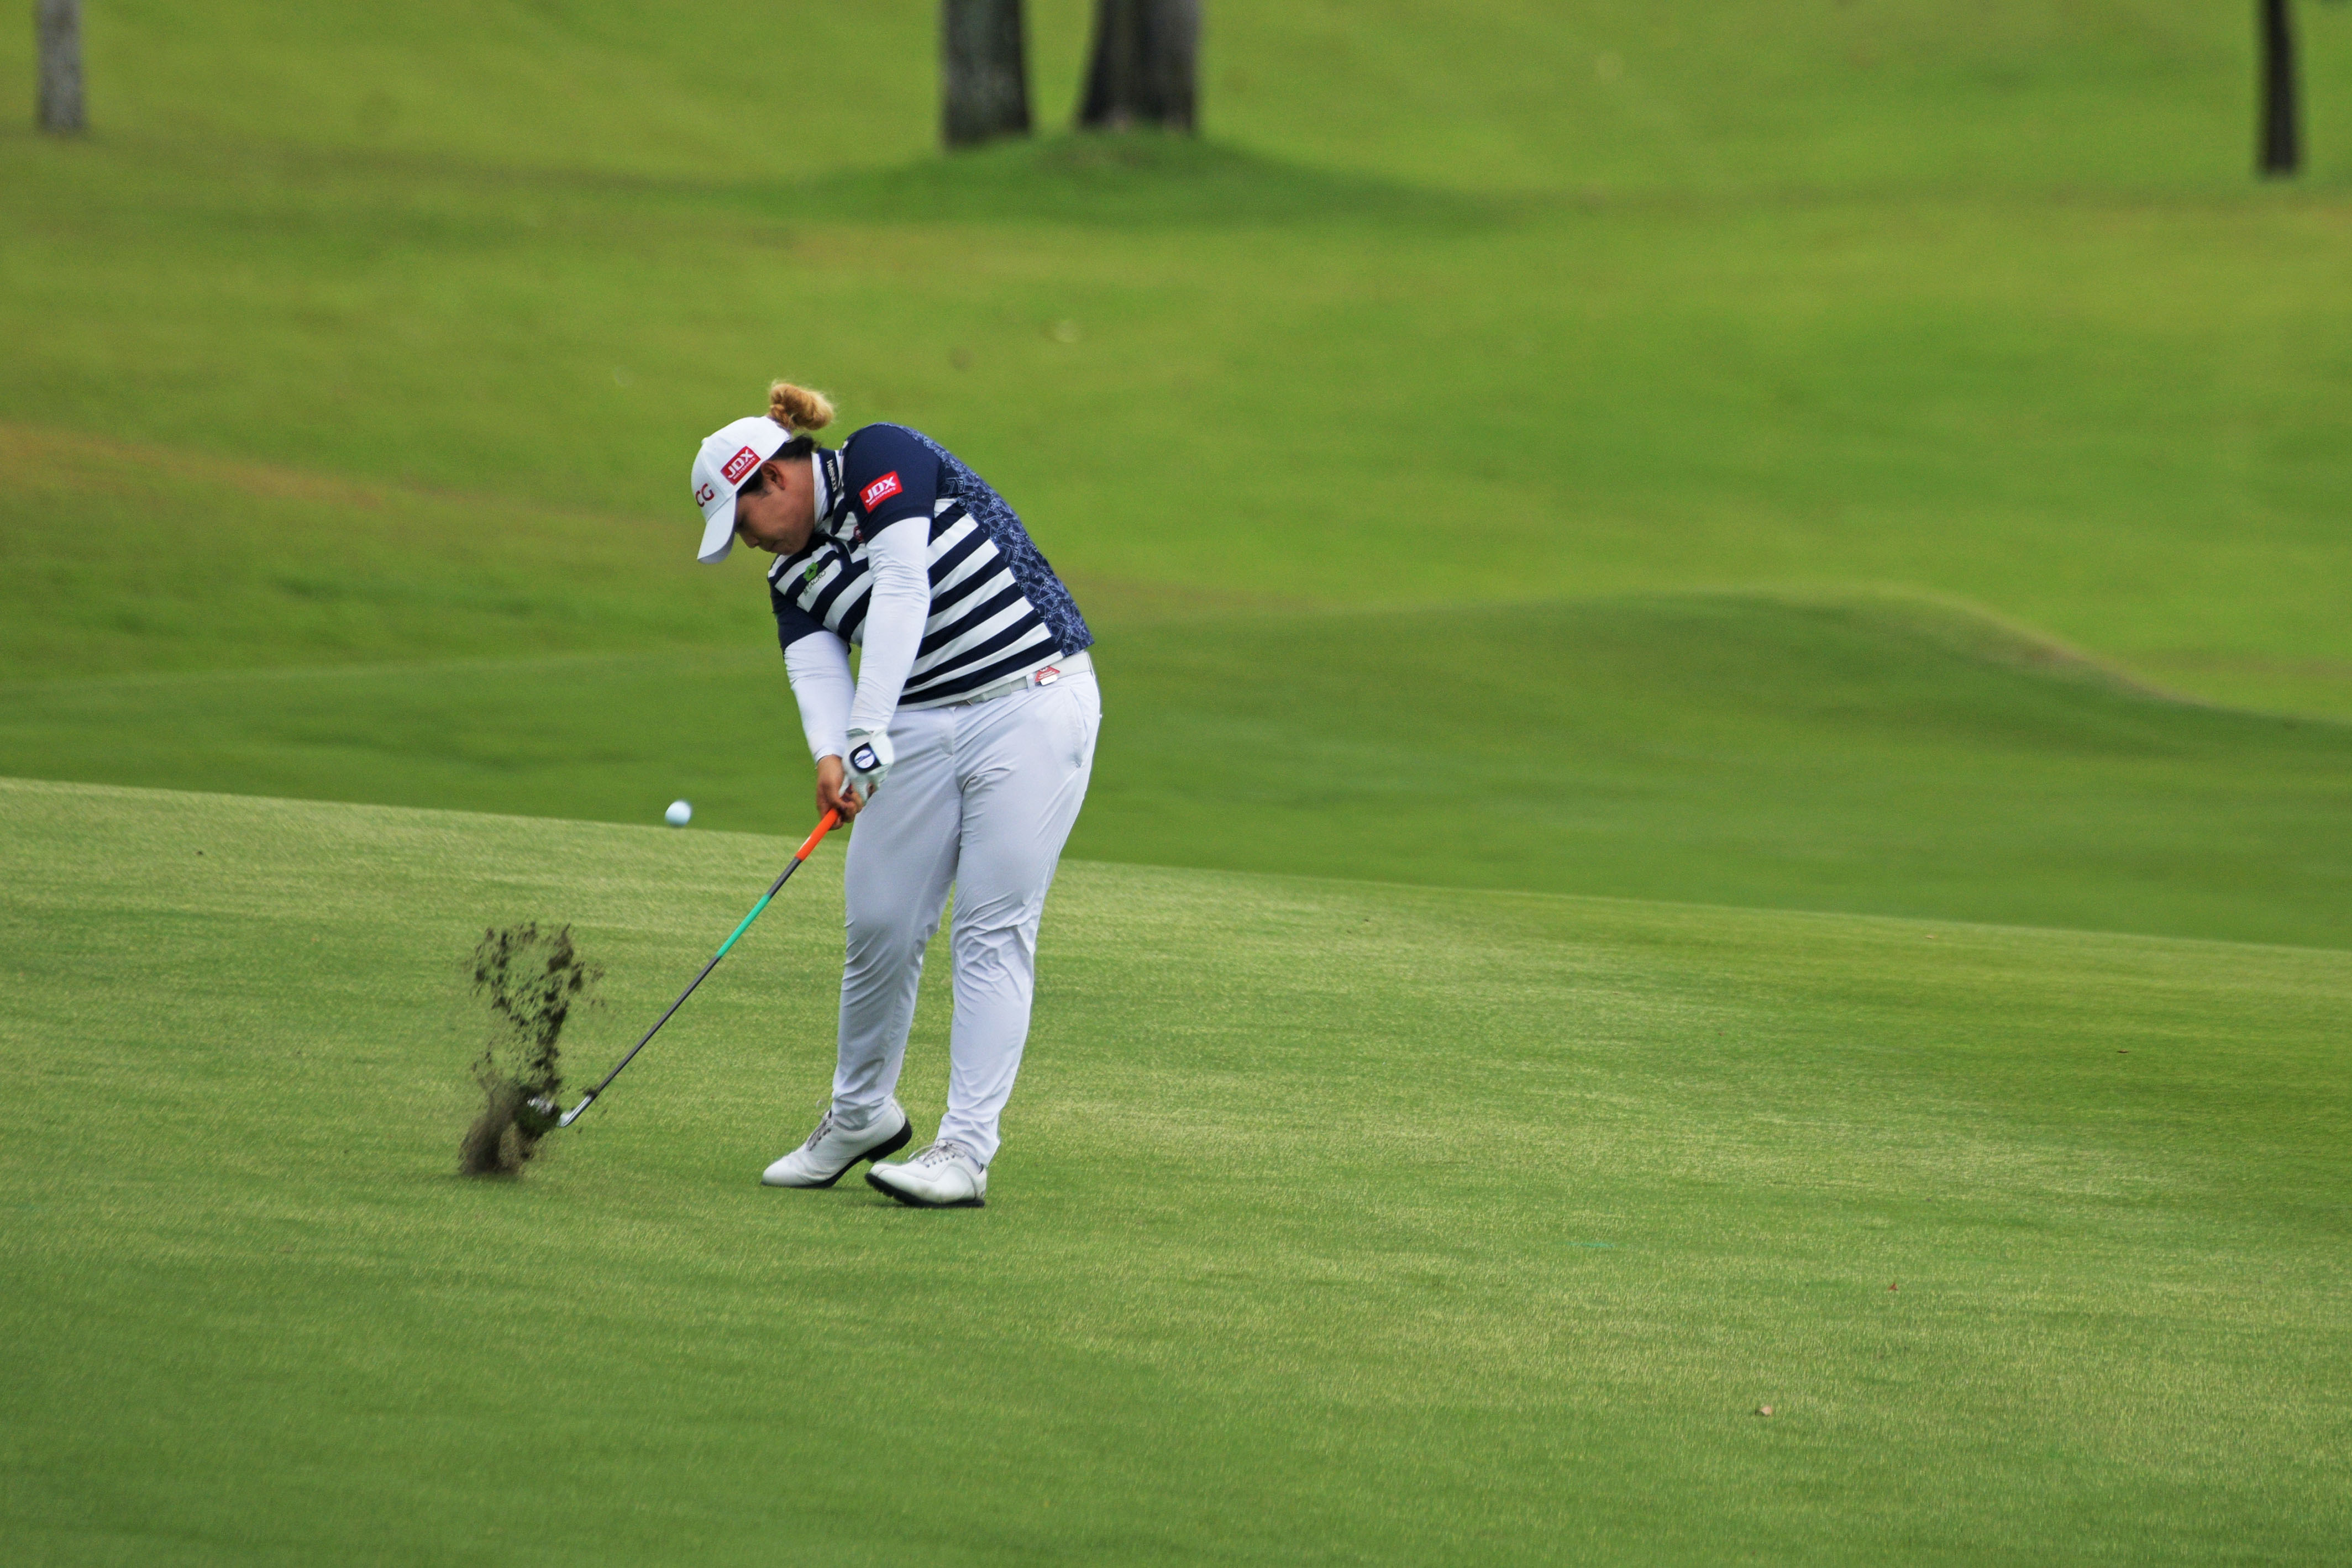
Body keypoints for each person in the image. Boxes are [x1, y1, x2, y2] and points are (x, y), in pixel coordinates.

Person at [686, 382, 1100, 1208]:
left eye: (744, 522)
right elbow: (813, 671)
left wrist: (869, 727)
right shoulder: (791, 577)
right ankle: (861, 1113)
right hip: (913, 726)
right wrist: (834, 754)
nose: (750, 544)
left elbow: (904, 584)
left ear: (773, 479)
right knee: (878, 922)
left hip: (1029, 696)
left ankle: (965, 1151)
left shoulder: (883, 456)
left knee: (990, 930)